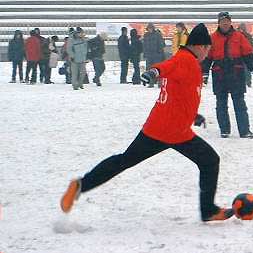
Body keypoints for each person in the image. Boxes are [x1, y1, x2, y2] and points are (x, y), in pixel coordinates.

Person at [60, 23, 234, 222]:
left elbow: (180, 95)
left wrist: (193, 115)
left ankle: (80, 185)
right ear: (201, 46)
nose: (208, 53)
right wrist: (153, 73)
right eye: (208, 49)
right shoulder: (185, 60)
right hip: (174, 132)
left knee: (124, 160)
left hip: (158, 127)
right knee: (210, 161)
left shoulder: (185, 59)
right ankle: (208, 210)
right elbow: (165, 68)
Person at [202, 12, 253, 139]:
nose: (225, 23)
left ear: (230, 22)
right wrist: (204, 73)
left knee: (239, 104)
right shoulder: (212, 38)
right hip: (219, 74)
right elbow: (207, 57)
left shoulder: (239, 36)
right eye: (222, 21)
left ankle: (244, 131)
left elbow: (247, 53)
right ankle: (224, 130)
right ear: (219, 23)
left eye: (227, 21)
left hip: (236, 73)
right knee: (221, 104)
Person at [142, 23, 166, 87]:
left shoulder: (157, 35)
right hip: (149, 55)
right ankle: (151, 82)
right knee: (149, 69)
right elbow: (144, 45)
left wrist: (159, 53)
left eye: (151, 28)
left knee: (157, 69)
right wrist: (145, 53)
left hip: (157, 55)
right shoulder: (146, 35)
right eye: (149, 28)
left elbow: (162, 44)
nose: (150, 30)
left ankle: (159, 83)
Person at [237, 23, 253, 88]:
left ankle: (248, 82)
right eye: (240, 28)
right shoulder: (235, 35)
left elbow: (251, 45)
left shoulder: (248, 36)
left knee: (247, 69)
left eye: (243, 28)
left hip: (246, 55)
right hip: (237, 55)